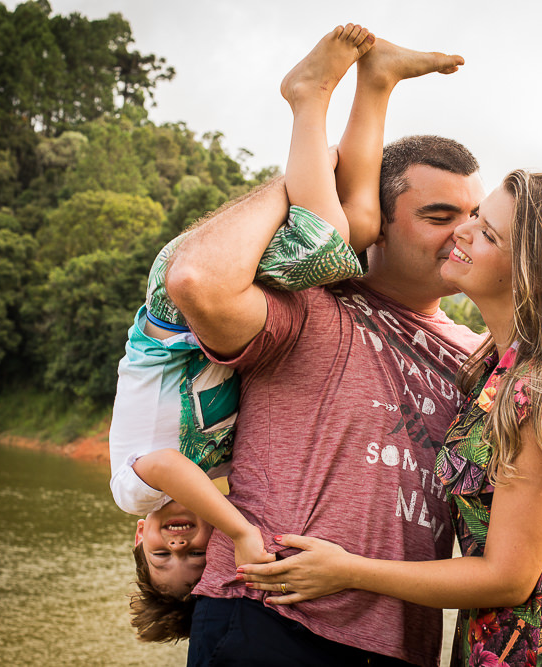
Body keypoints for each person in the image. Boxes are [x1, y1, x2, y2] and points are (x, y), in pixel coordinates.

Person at [167, 27, 542, 667]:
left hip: (404, 643)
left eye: (477, 220)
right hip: (272, 619)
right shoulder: (312, 310)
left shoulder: (485, 360)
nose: (462, 234)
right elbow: (198, 281)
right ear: (375, 226)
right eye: (440, 217)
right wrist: (313, 182)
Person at [241, 171, 542, 667]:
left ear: (532, 272)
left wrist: (347, 571)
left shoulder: (536, 389)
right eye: (475, 216)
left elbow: (508, 578)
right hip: (497, 640)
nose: (463, 231)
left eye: (488, 233)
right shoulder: (488, 369)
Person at [109, 23, 382, 642]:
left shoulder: (134, 492)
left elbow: (167, 464)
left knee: (327, 240)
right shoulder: (221, 466)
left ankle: (307, 97)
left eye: (161, 556)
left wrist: (236, 531)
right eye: (193, 559)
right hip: (218, 313)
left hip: (171, 315)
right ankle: (377, 82)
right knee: (358, 231)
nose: (179, 546)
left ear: (139, 537)